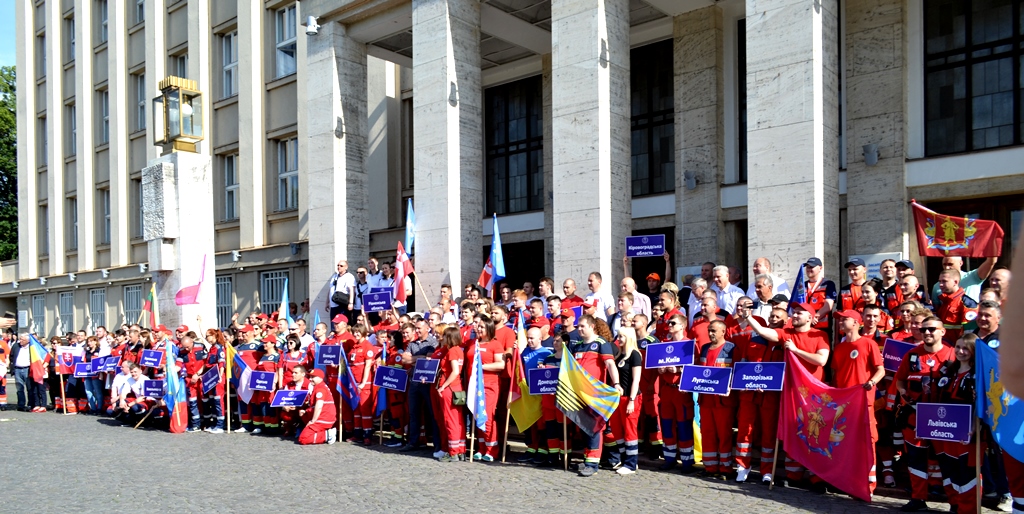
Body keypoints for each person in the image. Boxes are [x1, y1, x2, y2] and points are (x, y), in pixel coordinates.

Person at [743, 301, 830, 485]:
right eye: (794, 312)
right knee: (794, 433)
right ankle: (793, 476)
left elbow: (821, 360)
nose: (795, 315)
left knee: (813, 434)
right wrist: (748, 316)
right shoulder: (786, 334)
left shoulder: (820, 335)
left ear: (809, 317)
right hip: (790, 392)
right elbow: (764, 332)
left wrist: (796, 350)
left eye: (799, 313)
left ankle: (816, 478)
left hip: (812, 394)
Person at [893, 316, 957, 512]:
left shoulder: (953, 355)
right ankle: (918, 499)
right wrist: (903, 393)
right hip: (915, 416)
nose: (927, 332)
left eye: (931, 329)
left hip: (943, 419)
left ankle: (955, 502)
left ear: (942, 331)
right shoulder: (912, 355)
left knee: (947, 461)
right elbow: (900, 380)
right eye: (924, 329)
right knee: (915, 459)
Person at [831, 310, 885, 492]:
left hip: (864, 402)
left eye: (844, 319)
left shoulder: (868, 344)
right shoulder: (838, 348)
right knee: (846, 442)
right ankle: (847, 480)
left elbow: (881, 370)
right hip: (845, 404)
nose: (840, 322)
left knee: (867, 441)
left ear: (855, 322)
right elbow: (837, 376)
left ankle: (868, 483)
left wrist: (871, 382)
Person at [935, 333, 981, 514]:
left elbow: (981, 405)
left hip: (967, 434)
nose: (961, 351)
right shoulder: (949, 371)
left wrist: (973, 429)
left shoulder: (978, 375)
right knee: (949, 470)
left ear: (973, 351)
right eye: (958, 347)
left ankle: (968, 509)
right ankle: (955, 505)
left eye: (965, 348)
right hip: (946, 433)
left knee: (967, 473)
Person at [570, 314, 620, 477]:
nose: (579, 329)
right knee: (585, 428)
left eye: (582, 326)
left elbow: (610, 364)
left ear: (592, 327)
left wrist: (617, 384)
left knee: (594, 427)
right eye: (578, 326)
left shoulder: (601, 343)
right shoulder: (577, 346)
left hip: (596, 394)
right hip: (580, 394)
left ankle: (593, 463)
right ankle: (589, 459)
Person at [656, 313, 695, 474]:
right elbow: (656, 365)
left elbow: (694, 368)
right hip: (666, 390)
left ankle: (687, 461)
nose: (669, 325)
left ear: (682, 326)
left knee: (684, 425)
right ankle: (669, 458)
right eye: (668, 323)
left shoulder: (688, 345)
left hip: (680, 390)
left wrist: (678, 369)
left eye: (673, 323)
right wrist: (660, 369)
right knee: (667, 424)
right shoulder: (664, 344)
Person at [466, 315, 504, 462]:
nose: (478, 329)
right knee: (477, 416)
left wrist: (481, 367)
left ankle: (492, 449)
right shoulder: (473, 343)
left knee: (487, 416)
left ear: (489, 328)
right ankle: (481, 448)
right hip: (474, 385)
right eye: (478, 326)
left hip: (489, 385)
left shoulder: (495, 344)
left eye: (482, 327)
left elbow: (500, 365)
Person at [400, 320, 440, 453]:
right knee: (414, 413)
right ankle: (413, 442)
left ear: (427, 328)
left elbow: (430, 359)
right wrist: (421, 358)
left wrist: (416, 359)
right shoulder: (412, 343)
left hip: (427, 383)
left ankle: (437, 443)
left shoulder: (432, 342)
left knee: (432, 413)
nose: (417, 331)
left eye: (419, 328)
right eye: (415, 328)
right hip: (414, 383)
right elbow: (404, 359)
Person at [607, 327, 642, 475]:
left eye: (622, 337)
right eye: (618, 336)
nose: (619, 339)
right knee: (617, 429)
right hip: (617, 398)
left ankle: (631, 463)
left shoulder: (635, 355)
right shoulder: (619, 355)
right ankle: (624, 458)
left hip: (630, 397)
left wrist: (632, 400)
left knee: (629, 430)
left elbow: (636, 380)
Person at [432, 327, 465, 462]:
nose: (443, 338)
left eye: (445, 336)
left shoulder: (452, 351)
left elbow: (455, 371)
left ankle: (453, 452)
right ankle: (460, 449)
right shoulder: (459, 350)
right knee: (458, 421)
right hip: (457, 388)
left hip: (449, 387)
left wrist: (443, 386)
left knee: (449, 420)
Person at [347, 325, 377, 445]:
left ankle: (367, 435)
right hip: (354, 383)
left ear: (363, 333)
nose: (356, 334)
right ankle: (357, 434)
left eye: (358, 332)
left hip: (363, 383)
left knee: (365, 410)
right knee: (356, 409)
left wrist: (363, 382)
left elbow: (367, 366)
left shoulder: (367, 346)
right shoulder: (354, 346)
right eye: (354, 332)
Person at [935, 269, 980, 344]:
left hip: (957, 346)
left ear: (955, 282)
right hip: (943, 343)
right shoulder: (945, 300)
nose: (940, 284)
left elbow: (970, 332)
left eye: (944, 281)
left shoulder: (967, 303)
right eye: (940, 281)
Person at [930, 256, 997, 303]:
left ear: (961, 263)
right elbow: (937, 311)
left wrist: (992, 241)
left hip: (971, 320)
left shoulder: (973, 276)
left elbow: (991, 262)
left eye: (950, 264)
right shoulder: (937, 286)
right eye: (944, 264)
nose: (947, 268)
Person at [297, 369, 338, 445]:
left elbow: (319, 406)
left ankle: (327, 435)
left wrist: (312, 421)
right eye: (310, 377)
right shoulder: (319, 387)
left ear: (320, 378)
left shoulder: (320, 389)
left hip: (323, 419)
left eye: (313, 377)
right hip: (324, 417)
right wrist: (306, 411)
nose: (310, 379)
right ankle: (323, 433)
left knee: (303, 439)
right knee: (304, 416)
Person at [251, 336, 281, 435]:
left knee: (271, 407)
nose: (264, 344)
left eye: (266, 343)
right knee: (263, 406)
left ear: (273, 344)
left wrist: (274, 383)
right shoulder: (263, 356)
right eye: (263, 343)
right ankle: (267, 427)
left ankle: (274, 428)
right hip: (262, 387)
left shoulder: (277, 356)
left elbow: (277, 371)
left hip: (271, 387)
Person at [203, 329, 227, 433]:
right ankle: (215, 423)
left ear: (214, 336)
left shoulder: (219, 348)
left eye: (208, 336)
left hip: (217, 377)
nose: (206, 338)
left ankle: (220, 425)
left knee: (218, 401)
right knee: (212, 400)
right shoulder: (211, 348)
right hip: (210, 376)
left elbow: (221, 363)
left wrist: (220, 376)